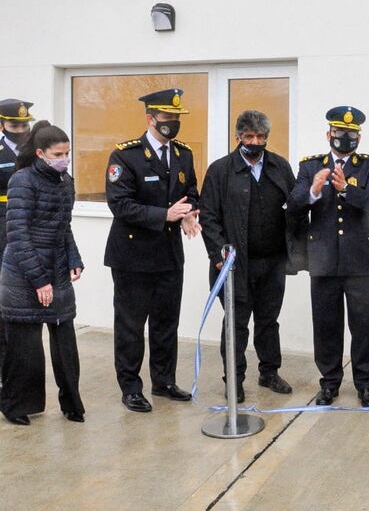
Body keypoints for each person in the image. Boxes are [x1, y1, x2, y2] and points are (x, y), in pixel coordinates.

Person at [104, 88, 201, 413]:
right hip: (133, 257)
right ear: (150, 118)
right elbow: (120, 205)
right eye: (166, 118)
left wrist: (189, 213)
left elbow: (191, 192)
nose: (172, 124)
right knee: (131, 326)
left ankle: (164, 381)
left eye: (176, 119)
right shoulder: (125, 156)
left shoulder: (184, 154)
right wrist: (165, 215)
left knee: (165, 324)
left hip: (169, 256)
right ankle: (130, 387)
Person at [200, 110, 305, 403]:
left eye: (261, 137)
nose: (255, 141)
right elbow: (208, 216)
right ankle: (234, 379)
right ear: (238, 137)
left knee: (269, 320)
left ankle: (269, 371)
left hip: (273, 262)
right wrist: (219, 253)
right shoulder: (220, 170)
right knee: (236, 322)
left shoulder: (279, 166)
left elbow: (295, 204)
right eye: (249, 137)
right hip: (235, 265)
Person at [288, 106, 369, 407]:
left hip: (359, 262)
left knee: (364, 325)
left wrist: (345, 190)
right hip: (323, 260)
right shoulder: (309, 166)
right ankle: (329, 383)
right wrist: (314, 190)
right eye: (340, 134)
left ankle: (365, 384)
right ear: (328, 134)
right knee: (327, 325)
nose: (345, 138)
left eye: (351, 134)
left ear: (359, 136)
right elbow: (293, 205)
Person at [0, 121, 84, 425]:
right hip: (24, 274)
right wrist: (39, 280)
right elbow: (18, 235)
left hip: (57, 269)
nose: (64, 158)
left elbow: (64, 226)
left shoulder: (66, 181)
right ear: (40, 153)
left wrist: (74, 257)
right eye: (58, 153)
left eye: (67, 153)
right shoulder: (22, 181)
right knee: (25, 349)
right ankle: (17, 405)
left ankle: (72, 403)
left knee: (65, 342)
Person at [0, 98, 34, 393]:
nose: (21, 129)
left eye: (25, 125)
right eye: (14, 125)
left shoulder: (32, 150)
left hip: (27, 226)